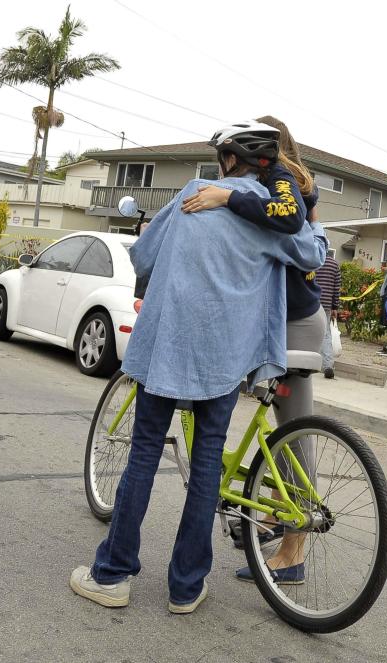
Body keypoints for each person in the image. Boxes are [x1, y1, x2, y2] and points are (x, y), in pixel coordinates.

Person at [69, 121, 327, 614]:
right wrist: (311, 213)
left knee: (144, 450)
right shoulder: (272, 216)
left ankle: (112, 575)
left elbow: (143, 255)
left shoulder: (194, 194)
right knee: (209, 457)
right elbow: (312, 252)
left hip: (168, 344)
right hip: (225, 356)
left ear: (229, 158)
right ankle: (186, 587)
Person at [180, 115, 324, 585]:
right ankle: (266, 513)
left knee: (293, 433)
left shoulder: (285, 189)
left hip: (294, 321)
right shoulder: (267, 184)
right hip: (265, 318)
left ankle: (294, 549)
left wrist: (226, 196)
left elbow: (307, 247)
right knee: (269, 429)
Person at [316, 251, 341, 378]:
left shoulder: (312, 260)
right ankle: (328, 366)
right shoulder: (334, 264)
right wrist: (335, 307)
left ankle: (309, 363)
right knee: (326, 334)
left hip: (311, 302)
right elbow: (337, 288)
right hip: (326, 304)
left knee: (308, 332)